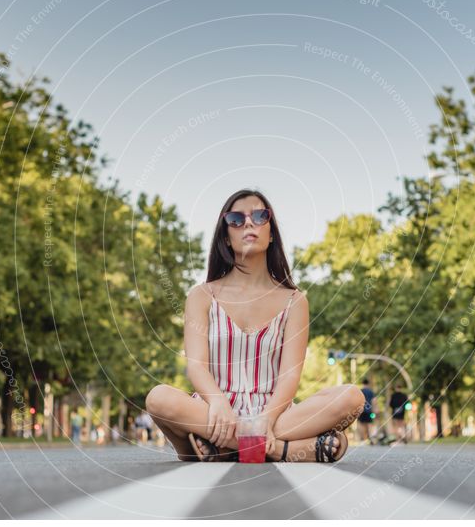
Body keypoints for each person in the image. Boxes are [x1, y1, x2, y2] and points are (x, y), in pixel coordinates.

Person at [145, 189, 366, 463]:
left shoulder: (295, 301)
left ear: (271, 232)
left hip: (275, 413)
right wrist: (218, 403)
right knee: (159, 399)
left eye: (260, 216)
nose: (249, 223)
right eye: (236, 219)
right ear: (226, 236)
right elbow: (197, 366)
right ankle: (282, 450)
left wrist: (266, 419)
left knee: (352, 397)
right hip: (215, 412)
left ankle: (223, 449)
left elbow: (289, 377)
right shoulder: (201, 296)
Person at [355, 378, 378, 444]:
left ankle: (363, 439)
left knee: (361, 424)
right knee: (369, 424)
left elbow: (357, 401)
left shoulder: (360, 391)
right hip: (369, 411)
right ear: (368, 384)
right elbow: (374, 401)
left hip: (361, 410)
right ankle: (370, 438)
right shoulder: (371, 392)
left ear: (363, 384)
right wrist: (374, 409)